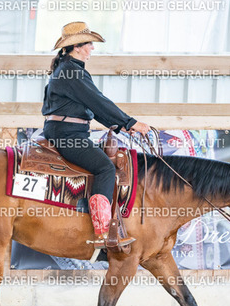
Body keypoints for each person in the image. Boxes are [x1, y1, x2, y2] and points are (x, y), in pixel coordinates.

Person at [42, 21, 150, 250]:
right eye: (89, 43)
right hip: (67, 134)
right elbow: (98, 101)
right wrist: (130, 122)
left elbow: (94, 107)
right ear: (77, 47)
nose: (92, 48)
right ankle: (103, 232)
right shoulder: (72, 71)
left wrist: (123, 126)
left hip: (65, 131)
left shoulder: (69, 69)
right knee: (105, 168)